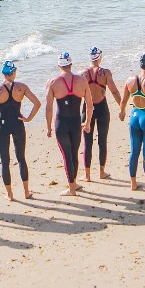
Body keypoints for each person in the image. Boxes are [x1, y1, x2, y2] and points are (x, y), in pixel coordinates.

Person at [0, 61, 41, 200]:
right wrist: (28, 118)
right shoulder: (21, 87)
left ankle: (10, 194)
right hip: (18, 124)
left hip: (3, 126)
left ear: (3, 73)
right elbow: (37, 103)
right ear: (13, 73)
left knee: (5, 161)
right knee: (21, 158)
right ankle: (26, 192)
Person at [45, 53, 93, 196]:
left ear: (59, 65)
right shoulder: (82, 81)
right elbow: (89, 105)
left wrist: (48, 127)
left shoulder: (53, 83)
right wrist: (88, 122)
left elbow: (48, 108)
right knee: (74, 154)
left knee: (67, 155)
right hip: (76, 123)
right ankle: (74, 183)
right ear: (71, 64)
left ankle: (72, 188)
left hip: (61, 124)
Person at [119, 54, 145, 192]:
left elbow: (124, 100)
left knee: (134, 152)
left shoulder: (130, 80)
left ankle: (133, 183)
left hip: (134, 117)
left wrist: (122, 112)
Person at [81, 47, 122, 181]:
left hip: (87, 108)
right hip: (102, 108)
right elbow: (114, 92)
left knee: (87, 142)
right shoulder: (105, 73)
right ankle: (102, 172)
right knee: (102, 141)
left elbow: (77, 94)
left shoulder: (83, 74)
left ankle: (87, 175)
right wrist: (121, 107)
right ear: (100, 57)